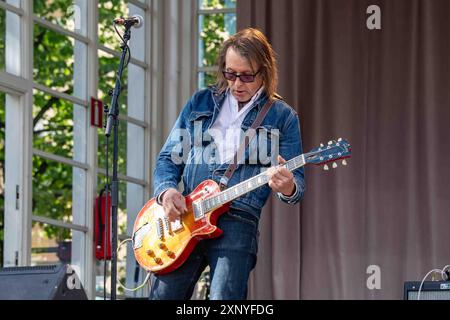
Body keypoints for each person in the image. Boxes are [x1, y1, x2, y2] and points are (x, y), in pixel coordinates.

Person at [150, 28, 305, 300]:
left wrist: (288, 186)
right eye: (230, 74)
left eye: (246, 76)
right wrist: (167, 191)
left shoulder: (283, 117)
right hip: (187, 215)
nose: (237, 84)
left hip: (238, 218)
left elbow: (297, 185)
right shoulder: (200, 101)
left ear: (264, 72)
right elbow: (168, 158)